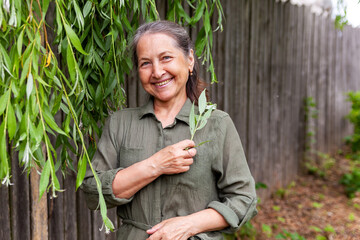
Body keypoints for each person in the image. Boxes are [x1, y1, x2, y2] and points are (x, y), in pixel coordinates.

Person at [82, 20, 257, 240]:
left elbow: (244, 199)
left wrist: (188, 225)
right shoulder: (120, 123)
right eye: (146, 63)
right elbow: (93, 193)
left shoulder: (217, 124)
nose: (157, 72)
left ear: (189, 60)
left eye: (166, 58)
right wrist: (156, 165)